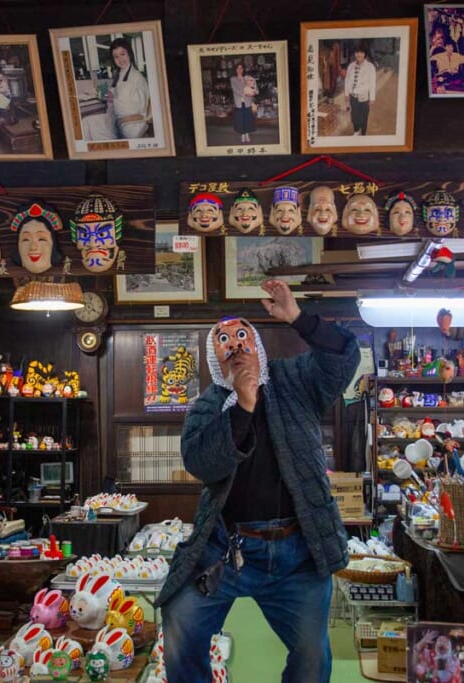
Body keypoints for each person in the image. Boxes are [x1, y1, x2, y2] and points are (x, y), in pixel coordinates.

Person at [158, 278, 361, 683]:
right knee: (180, 620)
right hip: (226, 549)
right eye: (223, 341)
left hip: (298, 553)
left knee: (312, 658)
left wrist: (298, 318)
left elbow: (343, 357)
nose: (234, 345)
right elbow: (201, 462)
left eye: (241, 336)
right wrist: (243, 404)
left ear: (258, 345)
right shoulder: (207, 406)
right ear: (213, 357)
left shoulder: (295, 381)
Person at [107, 37, 150, 139]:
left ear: (129, 53)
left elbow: (142, 112)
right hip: (120, 120)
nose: (120, 59)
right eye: (116, 56)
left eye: (122, 54)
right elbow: (114, 93)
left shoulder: (137, 78)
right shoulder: (120, 75)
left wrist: (114, 100)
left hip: (133, 124)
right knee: (88, 122)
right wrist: (109, 95)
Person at [344, 45, 376, 136]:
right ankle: (356, 131)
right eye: (357, 52)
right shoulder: (351, 66)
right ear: (355, 54)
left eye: (361, 52)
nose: (359, 54)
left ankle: (363, 134)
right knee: (354, 117)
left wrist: (372, 98)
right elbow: (347, 81)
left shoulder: (370, 67)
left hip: (364, 97)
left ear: (364, 54)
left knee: (363, 117)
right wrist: (346, 94)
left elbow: (372, 84)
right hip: (353, 97)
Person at [229, 62, 257, 144]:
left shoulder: (247, 78)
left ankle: (247, 134)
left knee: (247, 119)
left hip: (247, 102)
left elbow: (253, 86)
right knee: (240, 120)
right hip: (239, 103)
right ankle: (242, 134)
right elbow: (235, 89)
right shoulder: (233, 79)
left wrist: (253, 90)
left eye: (241, 68)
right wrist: (246, 92)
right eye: (238, 68)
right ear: (235, 69)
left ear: (243, 69)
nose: (239, 70)